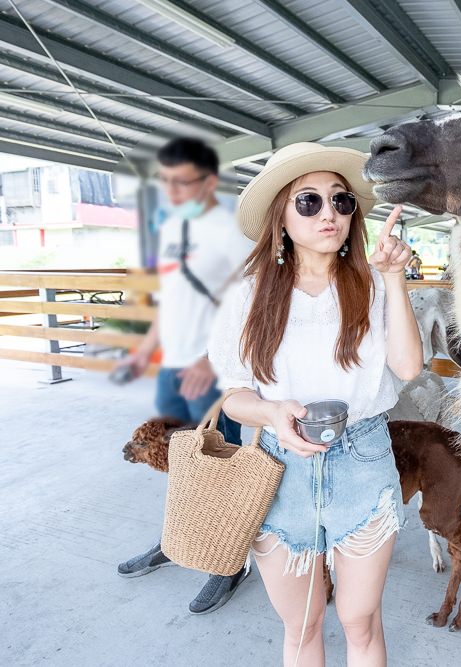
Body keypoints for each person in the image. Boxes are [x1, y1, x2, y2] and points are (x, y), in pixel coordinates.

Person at [209, 143, 422, 666]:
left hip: (364, 460)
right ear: (281, 215)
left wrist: (394, 278)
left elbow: (409, 367)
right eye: (309, 202)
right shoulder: (247, 294)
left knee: (359, 620)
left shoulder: (372, 285)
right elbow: (234, 396)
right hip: (279, 469)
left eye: (341, 201)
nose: (329, 213)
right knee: (301, 625)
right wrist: (271, 413)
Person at [115, 138, 255, 612]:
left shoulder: (234, 232)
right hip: (173, 365)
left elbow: (248, 311)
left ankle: (229, 564)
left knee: (218, 463)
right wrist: (148, 348)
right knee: (173, 459)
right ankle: (176, 541)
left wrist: (208, 361)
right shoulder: (172, 229)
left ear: (209, 181)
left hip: (212, 371)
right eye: (165, 181)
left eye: (181, 181)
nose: (171, 190)